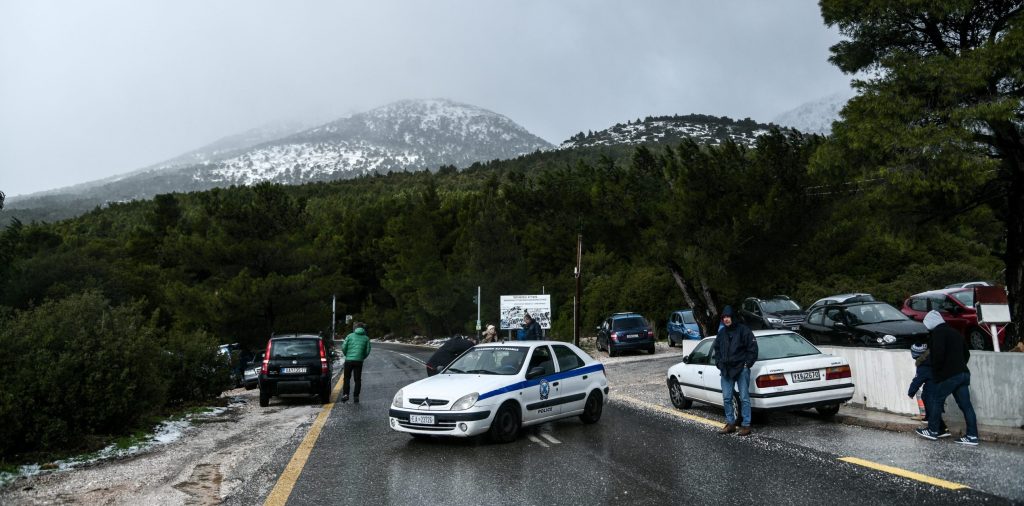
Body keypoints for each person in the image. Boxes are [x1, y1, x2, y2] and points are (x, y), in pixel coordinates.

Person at [915, 310, 979, 445]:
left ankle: (933, 430)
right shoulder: (955, 332)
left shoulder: (937, 334)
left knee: (935, 400)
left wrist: (938, 373)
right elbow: (966, 354)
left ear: (931, 323)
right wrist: (959, 366)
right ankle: (972, 436)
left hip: (949, 376)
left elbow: (937, 356)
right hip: (963, 374)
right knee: (966, 406)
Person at [713, 305, 758, 436]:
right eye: (724, 317)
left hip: (741, 369)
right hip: (726, 370)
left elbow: (753, 348)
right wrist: (719, 363)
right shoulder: (721, 333)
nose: (726, 319)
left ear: (733, 317)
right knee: (727, 398)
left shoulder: (744, 330)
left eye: (728, 317)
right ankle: (730, 424)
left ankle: (746, 425)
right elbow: (716, 350)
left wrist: (747, 364)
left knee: (744, 398)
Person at [907, 343, 949, 437]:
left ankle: (933, 430)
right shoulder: (930, 358)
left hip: (934, 387)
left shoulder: (924, 364)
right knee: (926, 398)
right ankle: (942, 429)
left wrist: (911, 392)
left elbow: (918, 380)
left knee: (932, 406)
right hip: (938, 385)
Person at [340, 322, 371, 403]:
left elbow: (343, 347)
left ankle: (346, 394)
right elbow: (367, 351)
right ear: (363, 328)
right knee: (357, 379)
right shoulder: (366, 338)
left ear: (355, 328)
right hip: (359, 361)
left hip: (348, 361)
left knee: (347, 378)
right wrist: (361, 357)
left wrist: (347, 355)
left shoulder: (349, 336)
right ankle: (356, 396)